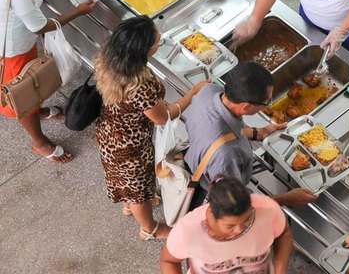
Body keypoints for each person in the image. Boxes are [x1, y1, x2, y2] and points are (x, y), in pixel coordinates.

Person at [94, 16, 209, 241]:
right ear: (143, 50)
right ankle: (150, 227)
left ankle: (129, 204)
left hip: (109, 133)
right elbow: (163, 117)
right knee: (138, 188)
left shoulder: (109, 59)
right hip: (130, 147)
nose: (160, 41)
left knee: (126, 182)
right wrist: (192, 94)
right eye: (156, 41)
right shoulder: (140, 85)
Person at [0, 0, 96, 164]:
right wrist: (77, 12)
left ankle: (38, 109)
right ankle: (39, 142)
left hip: (14, 41)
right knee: (23, 96)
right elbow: (39, 26)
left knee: (33, 87)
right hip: (12, 49)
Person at [184, 61, 317, 209]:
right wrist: (288, 198)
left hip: (199, 155)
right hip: (210, 189)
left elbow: (226, 128)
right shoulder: (226, 155)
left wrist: (260, 133)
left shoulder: (210, 91)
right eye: (266, 103)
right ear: (246, 107)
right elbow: (235, 203)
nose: (267, 104)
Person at [160, 175, 293, 274]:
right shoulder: (187, 230)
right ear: (211, 214)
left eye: (247, 220)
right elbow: (169, 261)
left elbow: (283, 233)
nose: (240, 229)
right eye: (230, 226)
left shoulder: (266, 209)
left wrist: (280, 271)